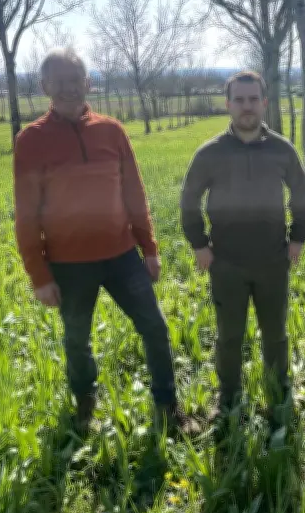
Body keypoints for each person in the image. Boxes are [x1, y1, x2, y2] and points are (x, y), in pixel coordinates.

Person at [13, 47, 198, 436]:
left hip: (121, 255)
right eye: (59, 82)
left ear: (87, 83)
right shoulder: (31, 140)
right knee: (77, 339)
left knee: (155, 328)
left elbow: (134, 193)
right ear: (45, 86)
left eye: (75, 80)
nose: (68, 88)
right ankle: (85, 407)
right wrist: (39, 275)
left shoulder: (111, 131)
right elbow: (26, 214)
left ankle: (168, 408)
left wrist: (149, 249)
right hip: (68, 264)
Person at [180, 70, 305, 427]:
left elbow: (301, 193)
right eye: (239, 100)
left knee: (276, 334)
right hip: (226, 262)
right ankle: (229, 399)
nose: (247, 106)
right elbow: (189, 200)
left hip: (273, 259)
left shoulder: (282, 149)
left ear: (264, 103)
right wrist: (199, 244)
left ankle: (278, 394)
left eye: (253, 99)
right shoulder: (210, 153)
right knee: (229, 336)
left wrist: (298, 237)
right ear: (228, 104)